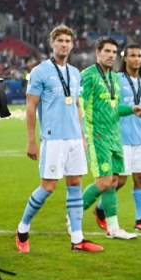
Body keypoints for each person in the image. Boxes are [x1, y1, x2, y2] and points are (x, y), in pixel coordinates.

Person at [15, 24, 103, 253]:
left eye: (67, 41)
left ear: (72, 45)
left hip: (74, 138)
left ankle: (77, 239)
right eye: (60, 40)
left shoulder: (75, 74)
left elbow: (77, 106)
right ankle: (22, 228)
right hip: (53, 139)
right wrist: (31, 140)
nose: (64, 44)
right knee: (48, 187)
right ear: (52, 43)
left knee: (75, 184)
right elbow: (31, 107)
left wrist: (83, 136)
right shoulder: (39, 72)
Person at [80, 37, 141, 240]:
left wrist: (131, 109)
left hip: (114, 135)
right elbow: (79, 106)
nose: (111, 55)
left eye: (113, 52)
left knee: (114, 181)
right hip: (97, 135)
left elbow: (114, 108)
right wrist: (84, 134)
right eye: (107, 51)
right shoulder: (88, 75)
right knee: (104, 181)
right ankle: (72, 215)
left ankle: (113, 228)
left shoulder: (114, 78)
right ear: (98, 53)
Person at [93, 44, 141, 232]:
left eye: (140, 55)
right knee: (119, 181)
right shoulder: (115, 79)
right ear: (125, 58)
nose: (137, 59)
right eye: (132, 55)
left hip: (140, 140)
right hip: (120, 139)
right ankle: (100, 209)